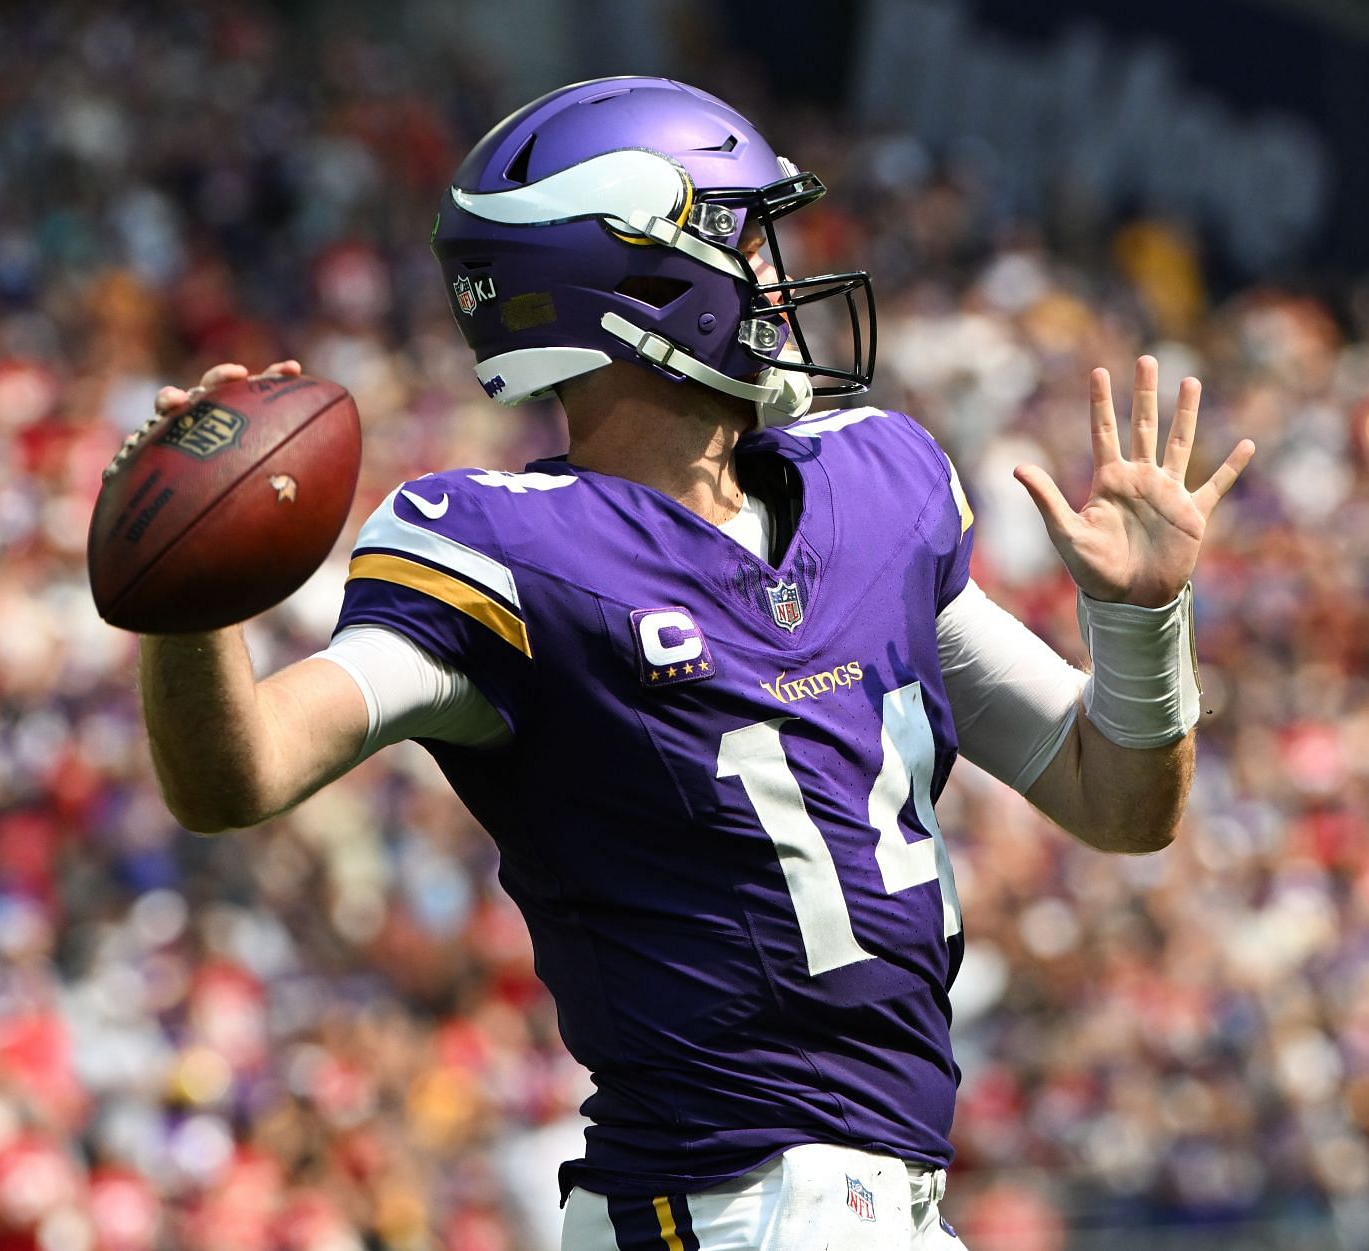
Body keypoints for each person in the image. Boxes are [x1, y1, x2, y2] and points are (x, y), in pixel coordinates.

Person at [129, 77, 1253, 1250]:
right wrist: (187, 594)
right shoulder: (505, 553)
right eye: (740, 240)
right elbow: (236, 775)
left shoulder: (878, 488)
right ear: (632, 283)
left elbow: (1120, 804)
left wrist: (1141, 624)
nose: (776, 278)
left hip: (888, 1202)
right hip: (728, 1208)